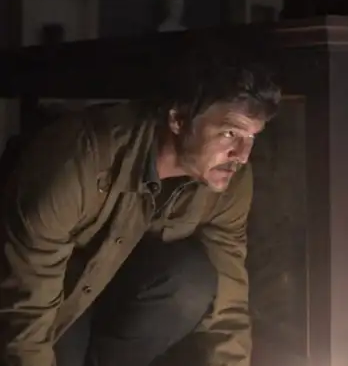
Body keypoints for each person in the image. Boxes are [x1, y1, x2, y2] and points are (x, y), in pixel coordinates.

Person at [0, 52, 281, 366]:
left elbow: (228, 298)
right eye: (230, 133)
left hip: (119, 292)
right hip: (57, 291)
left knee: (191, 279)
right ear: (178, 119)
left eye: (251, 137)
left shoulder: (230, 178)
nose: (242, 155)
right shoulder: (78, 159)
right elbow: (24, 305)